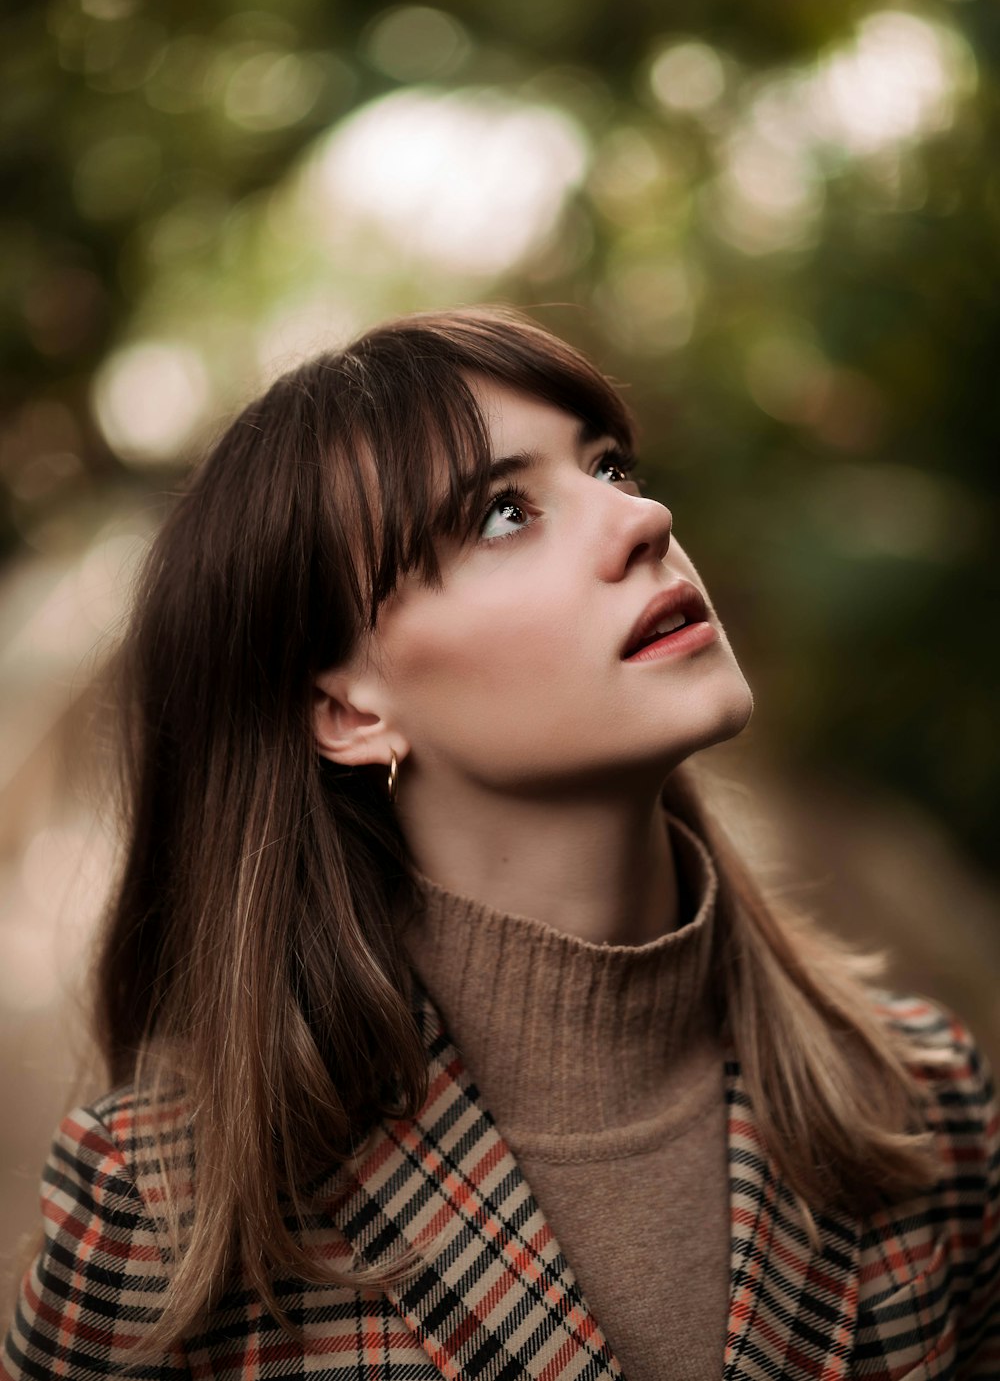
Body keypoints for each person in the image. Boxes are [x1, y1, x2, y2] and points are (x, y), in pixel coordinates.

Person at [1, 307, 996, 1381]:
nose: (644, 519)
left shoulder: (923, 1108)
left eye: (610, 469)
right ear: (350, 710)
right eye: (504, 514)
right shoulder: (163, 1218)